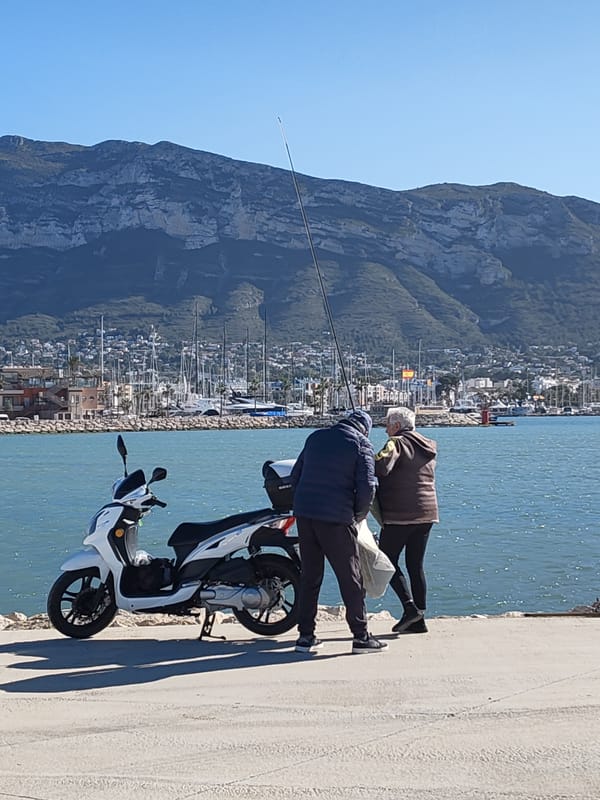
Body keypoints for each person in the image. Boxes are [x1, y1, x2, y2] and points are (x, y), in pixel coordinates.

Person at [290, 409, 388, 654]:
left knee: (310, 577)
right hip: (336, 519)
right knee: (350, 578)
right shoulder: (361, 444)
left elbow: (295, 476)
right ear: (365, 429)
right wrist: (358, 515)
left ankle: (305, 637)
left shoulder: (315, 438)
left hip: (305, 515)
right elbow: (367, 487)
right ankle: (361, 636)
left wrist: (303, 504)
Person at [374, 406, 438, 634]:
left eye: (388, 425)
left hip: (400, 514)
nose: (385, 431)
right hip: (427, 512)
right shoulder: (428, 445)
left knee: (386, 561)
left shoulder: (396, 443)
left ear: (397, 426)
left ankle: (410, 609)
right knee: (415, 566)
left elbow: (381, 467)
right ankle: (419, 620)